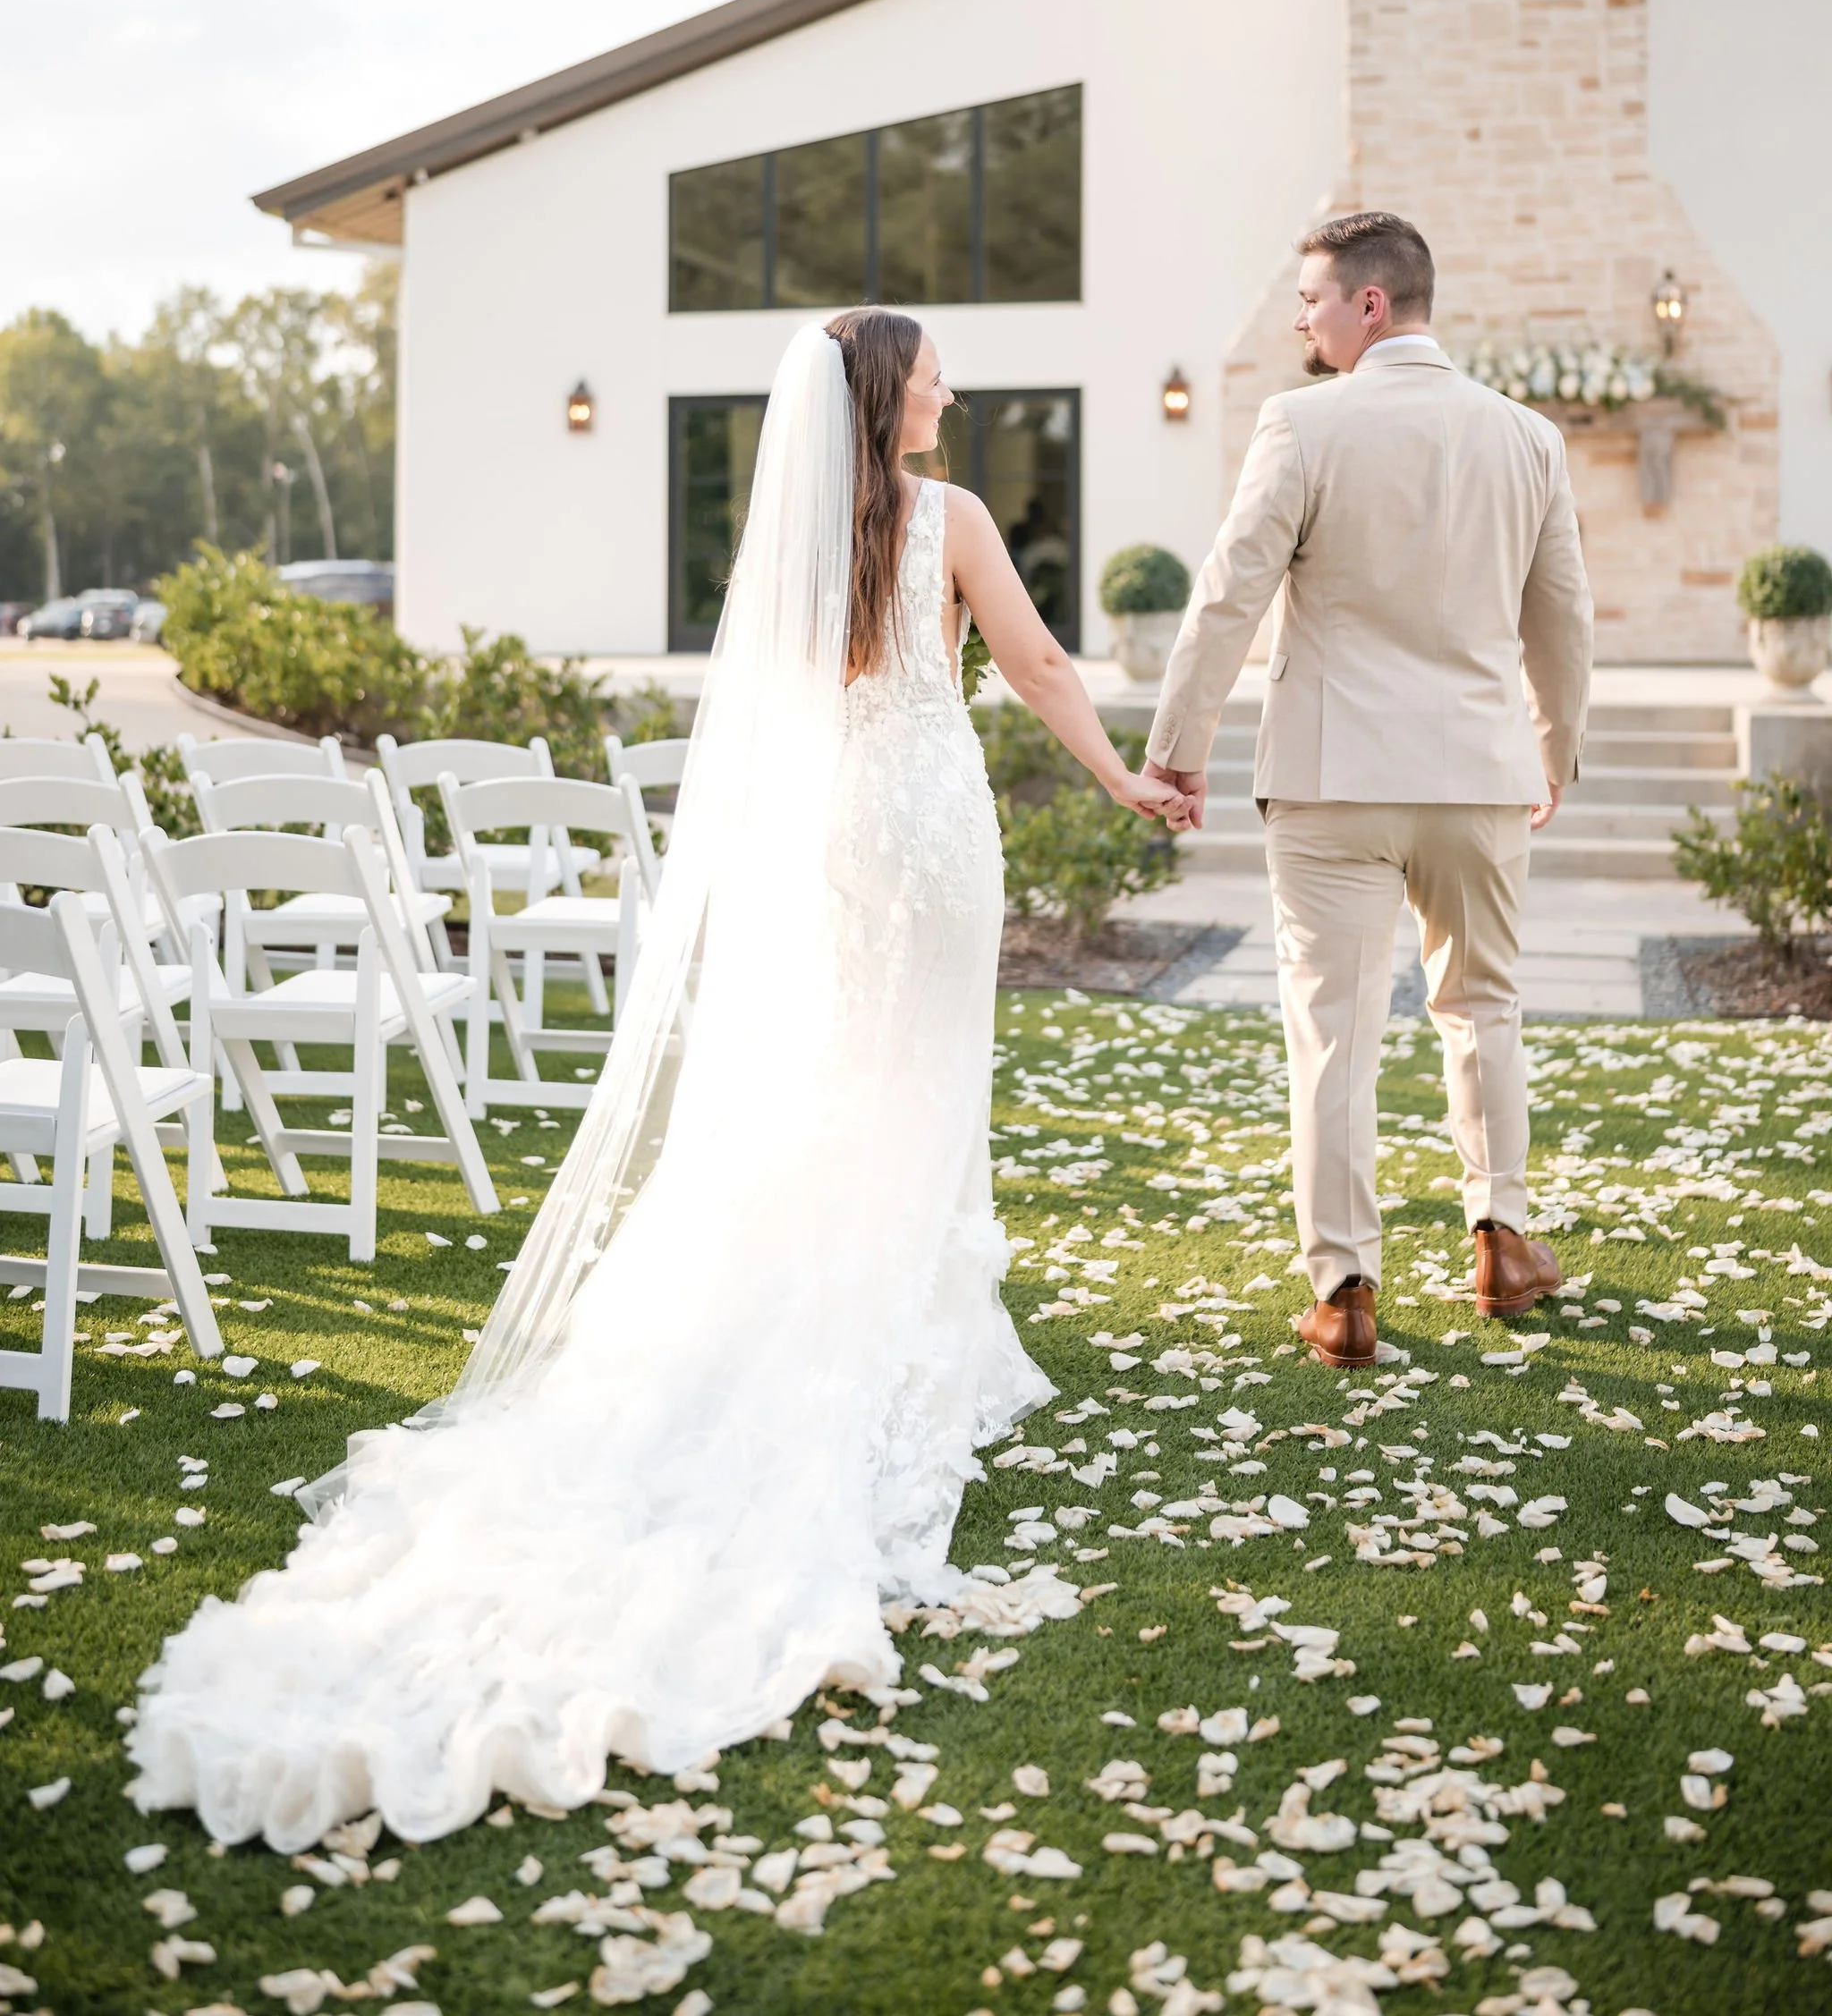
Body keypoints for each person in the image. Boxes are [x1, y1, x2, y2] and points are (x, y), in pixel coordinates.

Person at [126, 308, 1183, 1851]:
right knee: (920, 1085)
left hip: (835, 833)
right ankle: (898, 1323)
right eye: (936, 369)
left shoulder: (804, 528)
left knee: (837, 1080)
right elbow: (1027, 663)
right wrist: (1122, 774)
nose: (953, 387)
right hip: (933, 829)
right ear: (889, 392)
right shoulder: (947, 520)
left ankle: (880, 1300)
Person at [1143, 213, 1592, 1369]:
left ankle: (1344, 1291)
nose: (1302, 318)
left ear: (1371, 306)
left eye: (1313, 299)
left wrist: (1179, 743)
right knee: (1481, 1007)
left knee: (1334, 1037)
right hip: (1481, 777)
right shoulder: (1528, 440)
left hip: (1333, 779)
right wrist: (1556, 748)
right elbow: (1565, 620)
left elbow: (1229, 592)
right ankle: (1501, 1238)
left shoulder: (1301, 425)